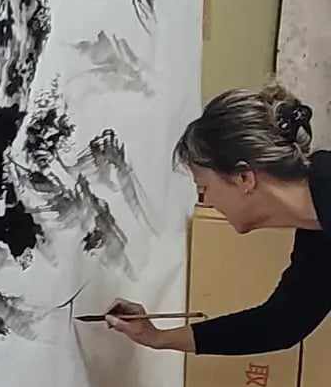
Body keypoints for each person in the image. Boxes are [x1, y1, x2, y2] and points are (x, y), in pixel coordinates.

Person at [107, 85, 331, 356]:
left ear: (243, 178)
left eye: (203, 188)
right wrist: (158, 338)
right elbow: (281, 323)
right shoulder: (316, 230)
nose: (206, 202)